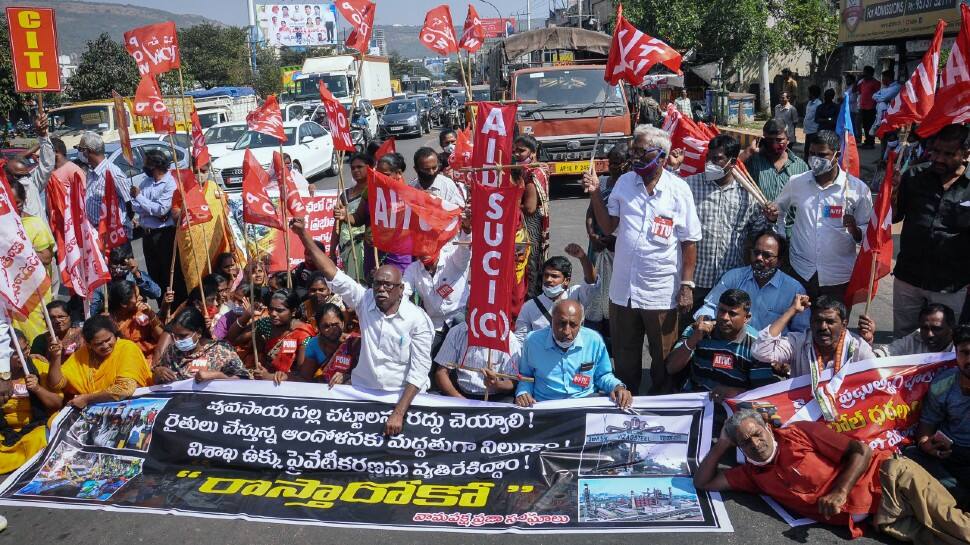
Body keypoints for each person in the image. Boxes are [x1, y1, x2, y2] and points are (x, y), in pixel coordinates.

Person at [695, 408, 970, 541]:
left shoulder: (798, 433)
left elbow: (860, 451)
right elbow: (703, 481)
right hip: (882, 518)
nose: (755, 444)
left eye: (756, 434)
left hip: (891, 480)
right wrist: (722, 444)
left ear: (767, 426)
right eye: (745, 442)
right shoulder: (752, 475)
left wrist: (839, 491)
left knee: (957, 525)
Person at [584, 124, 702, 394]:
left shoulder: (679, 189)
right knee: (624, 356)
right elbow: (608, 225)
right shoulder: (625, 183)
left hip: (660, 291)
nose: (633, 157)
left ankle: (661, 406)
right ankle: (626, 401)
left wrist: (687, 285)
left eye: (640, 151)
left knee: (663, 359)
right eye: (632, 151)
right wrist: (593, 192)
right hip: (623, 290)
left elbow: (690, 240)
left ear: (661, 155)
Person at [291, 218, 434, 436]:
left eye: (388, 285)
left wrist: (398, 413)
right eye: (377, 284)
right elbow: (332, 272)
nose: (381, 290)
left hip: (402, 400)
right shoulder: (365, 300)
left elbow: (419, 373)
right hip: (364, 394)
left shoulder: (418, 320)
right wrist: (303, 235)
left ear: (401, 289)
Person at [766, 130, 872, 303]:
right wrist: (779, 232)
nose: (815, 159)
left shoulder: (857, 190)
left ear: (836, 155)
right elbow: (779, 210)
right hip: (800, 273)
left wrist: (855, 230)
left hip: (838, 277)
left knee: (831, 327)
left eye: (822, 155)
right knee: (797, 325)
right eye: (811, 153)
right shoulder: (797, 182)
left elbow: (869, 232)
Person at [891, 124, 970, 338]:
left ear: (965, 155)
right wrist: (892, 194)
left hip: (951, 285)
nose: (938, 158)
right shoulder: (915, 176)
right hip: (909, 278)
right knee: (904, 338)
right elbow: (894, 216)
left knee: (946, 342)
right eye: (935, 151)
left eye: (948, 154)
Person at [686, 134, 768, 310]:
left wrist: (771, 217)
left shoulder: (748, 195)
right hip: (696, 280)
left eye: (717, 159)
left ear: (732, 162)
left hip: (730, 282)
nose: (710, 163)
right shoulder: (689, 186)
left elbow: (757, 234)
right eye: (709, 157)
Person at [515, 299, 631, 407]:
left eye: (573, 325)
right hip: (546, 404)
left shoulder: (594, 340)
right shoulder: (532, 342)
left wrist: (618, 387)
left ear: (581, 323)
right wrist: (523, 393)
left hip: (584, 402)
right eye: (561, 323)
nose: (566, 331)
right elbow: (526, 376)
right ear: (551, 322)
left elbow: (602, 375)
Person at [667, 290, 777, 403]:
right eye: (721, 311)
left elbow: (762, 392)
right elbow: (671, 368)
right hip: (695, 400)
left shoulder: (757, 345)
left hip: (734, 406)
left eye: (732, 313)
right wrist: (693, 340)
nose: (724, 317)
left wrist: (734, 392)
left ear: (747, 318)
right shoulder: (696, 331)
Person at [696, 231, 810, 333]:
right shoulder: (734, 277)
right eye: (756, 253)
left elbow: (801, 331)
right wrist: (705, 319)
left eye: (767, 255)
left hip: (770, 352)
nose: (759, 258)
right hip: (733, 346)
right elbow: (710, 306)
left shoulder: (794, 290)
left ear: (779, 261)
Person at [908, 324, 970, 507]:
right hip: (952, 453)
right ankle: (958, 496)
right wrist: (928, 446)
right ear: (956, 353)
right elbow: (926, 427)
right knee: (910, 455)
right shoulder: (943, 384)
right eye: (965, 353)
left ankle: (954, 498)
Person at [753, 295, 875, 381]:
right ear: (810, 322)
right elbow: (761, 352)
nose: (823, 327)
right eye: (818, 321)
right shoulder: (798, 342)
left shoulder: (857, 347)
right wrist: (791, 311)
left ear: (844, 324)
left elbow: (877, 377)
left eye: (830, 322)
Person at [47, 315, 152, 409]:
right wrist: (56, 357)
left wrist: (87, 399)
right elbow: (57, 384)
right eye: (99, 344)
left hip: (132, 406)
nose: (106, 346)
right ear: (89, 345)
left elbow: (125, 389)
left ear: (114, 335)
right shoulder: (83, 354)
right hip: (94, 411)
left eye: (108, 339)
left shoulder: (127, 347)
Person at [334, 152, 414, 274]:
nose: (380, 178)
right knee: (375, 287)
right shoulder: (370, 191)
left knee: (397, 287)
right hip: (374, 254)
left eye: (386, 175)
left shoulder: (410, 195)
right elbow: (358, 218)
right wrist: (345, 216)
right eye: (378, 174)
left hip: (399, 256)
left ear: (398, 173)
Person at [0, 327, 62, 474]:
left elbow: (57, 403)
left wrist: (38, 389)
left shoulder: (38, 366)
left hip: (33, 429)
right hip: (4, 432)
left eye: (25, 349)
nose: (22, 355)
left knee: (44, 437)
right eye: (15, 353)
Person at [403, 231, 471, 357]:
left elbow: (464, 251)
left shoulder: (452, 260)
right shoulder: (413, 269)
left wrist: (467, 231)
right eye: (418, 247)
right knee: (427, 361)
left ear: (437, 244)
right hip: (434, 325)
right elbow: (403, 291)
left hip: (459, 319)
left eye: (427, 245)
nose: (423, 251)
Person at [129, 149, 181, 303]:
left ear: (156, 165)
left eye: (147, 164)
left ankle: (173, 307)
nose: (144, 168)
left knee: (168, 274)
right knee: (154, 273)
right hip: (148, 234)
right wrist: (147, 206)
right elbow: (136, 207)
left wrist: (140, 198)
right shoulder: (146, 182)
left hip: (164, 234)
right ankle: (161, 306)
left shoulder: (170, 183)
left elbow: (161, 210)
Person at [226, 288, 314, 378]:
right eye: (271, 309)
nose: (273, 314)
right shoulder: (266, 324)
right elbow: (233, 339)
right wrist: (247, 315)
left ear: (294, 311)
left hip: (286, 384)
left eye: (279, 310)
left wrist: (269, 376)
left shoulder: (305, 335)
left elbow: (303, 374)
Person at [515, 248, 597, 344]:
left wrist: (583, 257)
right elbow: (520, 340)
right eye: (546, 275)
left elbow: (591, 282)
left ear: (566, 280)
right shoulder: (529, 307)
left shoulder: (576, 296)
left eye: (554, 276)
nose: (548, 279)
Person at [152, 307, 251, 384]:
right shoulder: (172, 351)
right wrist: (158, 373)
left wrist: (217, 376)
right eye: (175, 335)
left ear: (198, 333)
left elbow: (243, 380)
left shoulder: (221, 351)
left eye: (183, 336)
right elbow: (157, 378)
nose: (177, 340)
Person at [9, 181, 55, 343]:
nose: (13, 207)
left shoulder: (35, 225)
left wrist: (17, 252)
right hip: (10, 299)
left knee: (38, 344)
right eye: (8, 203)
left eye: (18, 203)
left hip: (34, 298)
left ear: (24, 200)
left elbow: (46, 257)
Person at [434, 317, 521, 402]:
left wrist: (496, 384)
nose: (470, 314)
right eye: (468, 309)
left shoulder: (508, 338)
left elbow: (512, 382)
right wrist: (460, 400)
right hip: (460, 395)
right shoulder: (457, 331)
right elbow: (441, 373)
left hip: (496, 399)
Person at [277, 303, 361, 386]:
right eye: (326, 326)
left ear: (342, 323)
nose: (332, 329)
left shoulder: (355, 342)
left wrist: (347, 376)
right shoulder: (313, 344)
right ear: (318, 328)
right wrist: (286, 376)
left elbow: (367, 374)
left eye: (335, 324)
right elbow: (305, 377)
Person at [75, 132, 132, 246]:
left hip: (114, 236)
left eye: (80, 149)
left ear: (88, 150)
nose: (79, 152)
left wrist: (119, 226)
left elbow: (130, 204)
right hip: (97, 235)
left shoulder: (112, 173)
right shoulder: (91, 173)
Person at [513, 135, 551, 296]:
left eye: (521, 151)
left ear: (533, 153)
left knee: (528, 262)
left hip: (530, 223)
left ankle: (530, 297)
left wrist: (508, 207)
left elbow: (529, 207)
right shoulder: (529, 170)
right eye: (515, 151)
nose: (517, 154)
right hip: (530, 222)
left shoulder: (532, 173)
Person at [743, 119, 809, 203]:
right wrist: (749, 151)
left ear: (788, 140)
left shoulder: (801, 166)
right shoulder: (753, 161)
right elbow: (729, 169)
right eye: (769, 140)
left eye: (779, 140)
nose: (774, 144)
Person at [2, 110, 53, 218]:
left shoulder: (31, 185)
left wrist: (43, 135)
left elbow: (47, 164)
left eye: (27, 175)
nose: (26, 179)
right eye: (20, 176)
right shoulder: (4, 195)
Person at [858, 304, 955, 357]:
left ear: (951, 329)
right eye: (924, 328)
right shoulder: (915, 339)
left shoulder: (962, 348)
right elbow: (882, 356)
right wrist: (868, 340)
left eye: (936, 329)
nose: (929, 334)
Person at [91, 245, 162, 317]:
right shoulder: (103, 284)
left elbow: (157, 293)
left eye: (122, 264)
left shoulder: (135, 276)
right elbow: (93, 312)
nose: (118, 269)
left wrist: (137, 275)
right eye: (115, 264)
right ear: (109, 263)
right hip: (117, 322)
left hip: (140, 316)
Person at [107, 279, 166, 364]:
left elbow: (161, 337)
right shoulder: (108, 321)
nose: (141, 298)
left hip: (152, 360)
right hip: (126, 362)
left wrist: (150, 314)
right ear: (124, 304)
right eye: (137, 296)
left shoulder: (142, 312)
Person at [336, 153, 371, 281]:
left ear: (369, 167)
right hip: (345, 246)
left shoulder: (373, 193)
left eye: (359, 167)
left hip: (363, 246)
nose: (355, 170)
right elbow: (337, 226)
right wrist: (331, 252)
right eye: (352, 168)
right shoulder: (345, 195)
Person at [854, 66, 881, 148]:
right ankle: (867, 141)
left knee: (870, 125)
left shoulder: (875, 83)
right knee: (865, 126)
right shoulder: (862, 82)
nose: (864, 74)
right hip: (863, 107)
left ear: (870, 74)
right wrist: (857, 80)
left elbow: (879, 95)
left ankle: (870, 142)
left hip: (871, 107)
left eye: (865, 73)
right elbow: (854, 90)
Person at [802, 85, 822, 163]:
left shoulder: (818, 104)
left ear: (813, 94)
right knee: (806, 150)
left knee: (812, 150)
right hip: (808, 130)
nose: (808, 95)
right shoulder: (809, 103)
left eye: (809, 93)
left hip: (814, 130)